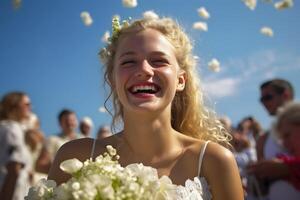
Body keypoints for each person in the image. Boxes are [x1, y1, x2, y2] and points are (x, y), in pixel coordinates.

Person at [48, 16, 243, 199]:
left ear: (180, 80)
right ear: (113, 80)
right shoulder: (75, 158)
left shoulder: (214, 161)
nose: (143, 70)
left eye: (159, 61)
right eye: (129, 61)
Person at [248, 78, 296, 200]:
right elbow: (263, 190)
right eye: (261, 99)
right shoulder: (264, 139)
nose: (263, 103)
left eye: (268, 97)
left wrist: (286, 168)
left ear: (285, 95)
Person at [0, 92, 32, 200]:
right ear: (14, 106)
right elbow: (14, 168)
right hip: (14, 193)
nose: (30, 107)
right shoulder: (12, 128)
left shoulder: (6, 127)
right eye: (26, 104)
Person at [36, 109, 79, 174]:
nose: (69, 123)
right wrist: (59, 170)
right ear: (60, 123)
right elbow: (40, 166)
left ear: (77, 121)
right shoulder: (52, 139)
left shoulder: (84, 140)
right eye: (66, 121)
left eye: (72, 120)